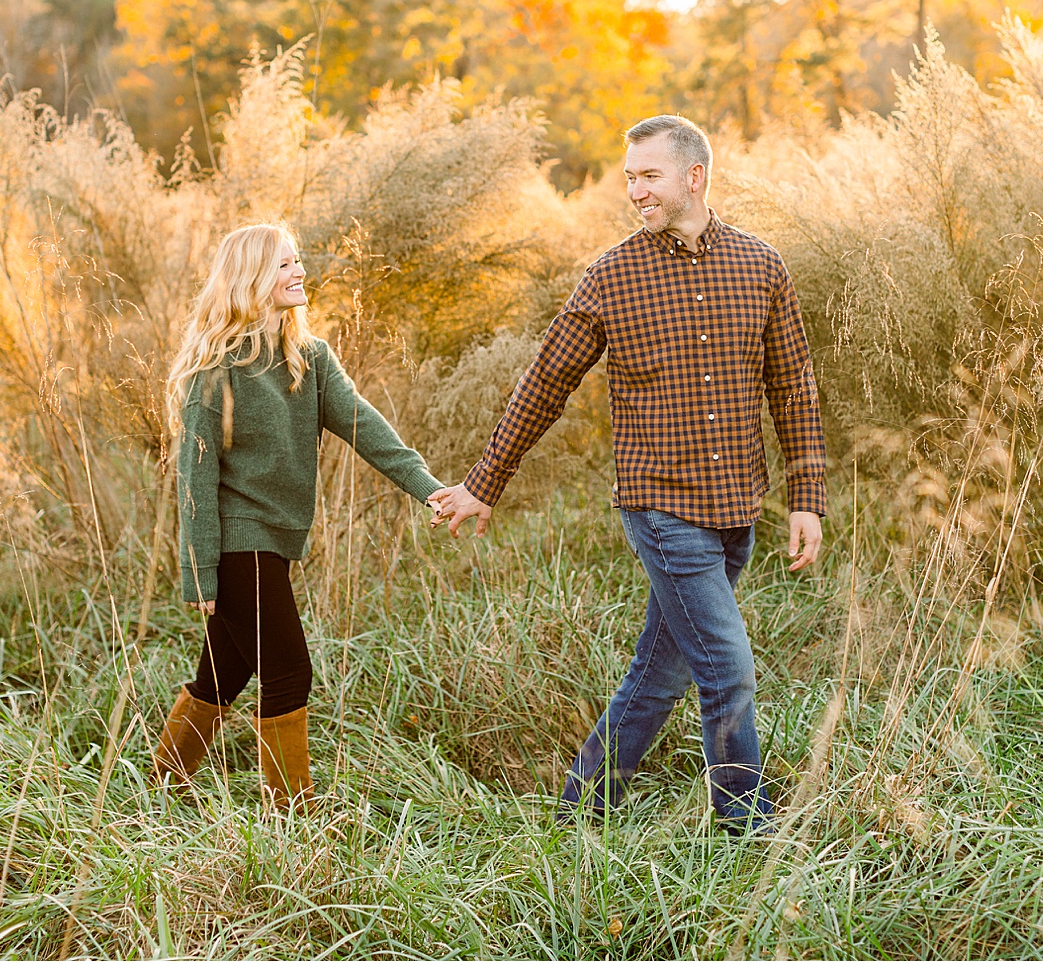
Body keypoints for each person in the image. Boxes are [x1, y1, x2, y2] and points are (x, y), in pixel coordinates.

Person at [430, 115, 826, 832]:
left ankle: (581, 808)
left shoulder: (761, 265)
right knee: (728, 669)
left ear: (694, 177)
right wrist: (483, 482)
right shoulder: (612, 276)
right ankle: (747, 832)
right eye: (630, 178)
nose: (636, 190)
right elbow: (545, 381)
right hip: (661, 508)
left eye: (649, 176)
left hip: (736, 506)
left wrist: (808, 496)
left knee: (661, 672)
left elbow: (793, 385)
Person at [152, 222, 445, 810]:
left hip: (275, 544)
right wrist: (201, 573)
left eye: (296, 261)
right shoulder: (216, 370)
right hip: (238, 546)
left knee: (223, 675)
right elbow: (195, 482)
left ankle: (163, 786)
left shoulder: (309, 358)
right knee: (288, 673)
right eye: (284, 265)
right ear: (253, 279)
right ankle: (294, 815)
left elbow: (366, 429)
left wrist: (431, 489)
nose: (298, 271)